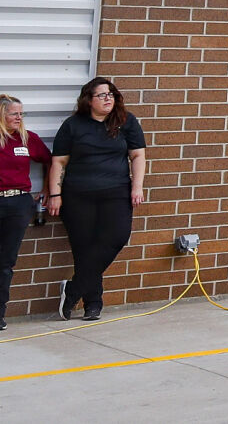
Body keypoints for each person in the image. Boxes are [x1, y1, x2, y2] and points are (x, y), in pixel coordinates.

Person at [47, 77, 147, 320]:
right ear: (88, 100)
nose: (108, 98)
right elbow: (58, 162)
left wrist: (137, 187)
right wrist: (55, 194)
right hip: (78, 196)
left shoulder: (126, 121)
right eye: (101, 95)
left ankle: (72, 290)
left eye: (111, 94)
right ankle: (93, 304)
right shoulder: (73, 125)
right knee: (84, 249)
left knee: (117, 237)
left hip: (116, 193)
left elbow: (138, 156)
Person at [0, 94, 53, 331]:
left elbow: (51, 161)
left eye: (21, 114)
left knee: (7, 262)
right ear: (0, 115)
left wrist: (49, 190)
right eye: (14, 114)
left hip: (18, 203)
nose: (19, 118)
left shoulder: (27, 139)